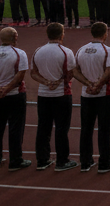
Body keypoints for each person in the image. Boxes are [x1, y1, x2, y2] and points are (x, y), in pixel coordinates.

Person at [29, 22, 77, 171]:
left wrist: (46, 82)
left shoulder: (38, 50)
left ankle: (42, 159)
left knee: (43, 127)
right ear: (62, 34)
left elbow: (33, 72)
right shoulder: (66, 52)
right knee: (61, 128)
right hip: (61, 94)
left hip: (43, 94)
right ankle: (62, 160)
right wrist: (59, 82)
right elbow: (71, 73)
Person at [73, 22, 110, 173]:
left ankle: (85, 162)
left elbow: (75, 71)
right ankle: (104, 163)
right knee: (104, 129)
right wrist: (98, 85)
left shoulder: (81, 50)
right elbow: (108, 71)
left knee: (86, 128)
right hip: (103, 94)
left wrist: (88, 84)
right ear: (105, 34)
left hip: (86, 94)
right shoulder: (108, 50)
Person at [0, 27, 30, 171]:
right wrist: (7, 88)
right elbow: (20, 75)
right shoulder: (19, 53)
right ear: (15, 37)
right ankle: (15, 160)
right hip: (15, 95)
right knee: (16, 128)